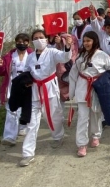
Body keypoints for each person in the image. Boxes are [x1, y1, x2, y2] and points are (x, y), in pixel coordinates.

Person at [19, 30, 73, 167]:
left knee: (54, 115)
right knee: (32, 122)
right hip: (35, 90)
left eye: (41, 37)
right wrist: (25, 80)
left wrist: (67, 46)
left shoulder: (52, 52)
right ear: (32, 40)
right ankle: (28, 153)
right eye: (36, 38)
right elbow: (26, 70)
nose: (39, 40)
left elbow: (65, 57)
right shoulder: (30, 56)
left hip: (49, 87)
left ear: (46, 39)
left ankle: (58, 136)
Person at [68, 31, 110, 157]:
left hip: (97, 88)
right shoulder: (80, 56)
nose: (86, 43)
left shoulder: (102, 55)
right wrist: (71, 92)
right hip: (82, 88)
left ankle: (96, 135)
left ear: (94, 41)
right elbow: (73, 75)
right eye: (84, 41)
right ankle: (81, 144)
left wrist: (103, 79)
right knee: (83, 118)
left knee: (96, 114)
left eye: (88, 40)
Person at [0, 33, 34, 146]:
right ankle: (9, 136)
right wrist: (0, 65)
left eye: (24, 41)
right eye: (18, 41)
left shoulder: (32, 54)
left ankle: (23, 127)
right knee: (12, 109)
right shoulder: (9, 56)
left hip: (28, 84)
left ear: (28, 43)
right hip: (13, 84)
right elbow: (1, 73)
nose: (21, 44)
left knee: (27, 107)